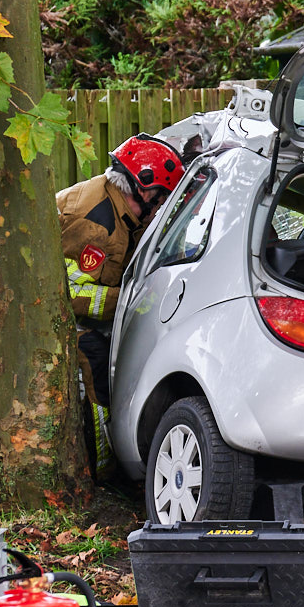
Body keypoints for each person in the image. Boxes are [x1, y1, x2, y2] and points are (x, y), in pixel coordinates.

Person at [59, 134, 186, 464]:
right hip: (56, 321)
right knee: (94, 357)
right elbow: (66, 294)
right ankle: (100, 466)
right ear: (143, 188)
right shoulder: (91, 223)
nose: (160, 210)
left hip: (91, 317)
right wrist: (133, 302)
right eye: (160, 200)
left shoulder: (127, 214)